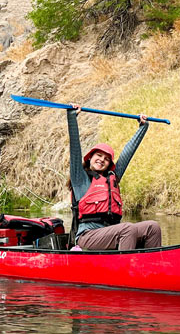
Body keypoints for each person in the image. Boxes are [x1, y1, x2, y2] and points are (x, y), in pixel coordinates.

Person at [67, 107, 162, 250]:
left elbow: (126, 155)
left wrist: (142, 127)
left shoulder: (112, 178)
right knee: (127, 229)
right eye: (98, 155)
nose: (101, 160)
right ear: (90, 158)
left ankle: (152, 266)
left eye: (106, 159)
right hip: (88, 236)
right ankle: (123, 269)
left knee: (152, 227)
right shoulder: (80, 179)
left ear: (109, 164)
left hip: (112, 232)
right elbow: (75, 149)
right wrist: (72, 117)